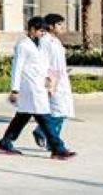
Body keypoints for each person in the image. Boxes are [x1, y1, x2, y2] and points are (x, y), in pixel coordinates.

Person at [0, 16, 76, 159]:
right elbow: (17, 67)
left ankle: (5, 142)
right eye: (40, 31)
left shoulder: (38, 44)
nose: (42, 34)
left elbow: (43, 64)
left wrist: (49, 78)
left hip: (38, 85)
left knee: (22, 116)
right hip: (29, 86)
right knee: (44, 117)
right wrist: (15, 89)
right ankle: (58, 148)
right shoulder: (23, 45)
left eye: (44, 31)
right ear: (32, 29)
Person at [33, 14, 75, 150]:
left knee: (61, 112)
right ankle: (41, 132)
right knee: (59, 111)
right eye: (59, 24)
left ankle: (52, 143)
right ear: (50, 26)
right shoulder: (45, 41)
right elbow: (42, 62)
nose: (62, 27)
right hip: (52, 80)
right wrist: (47, 80)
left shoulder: (55, 41)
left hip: (60, 79)